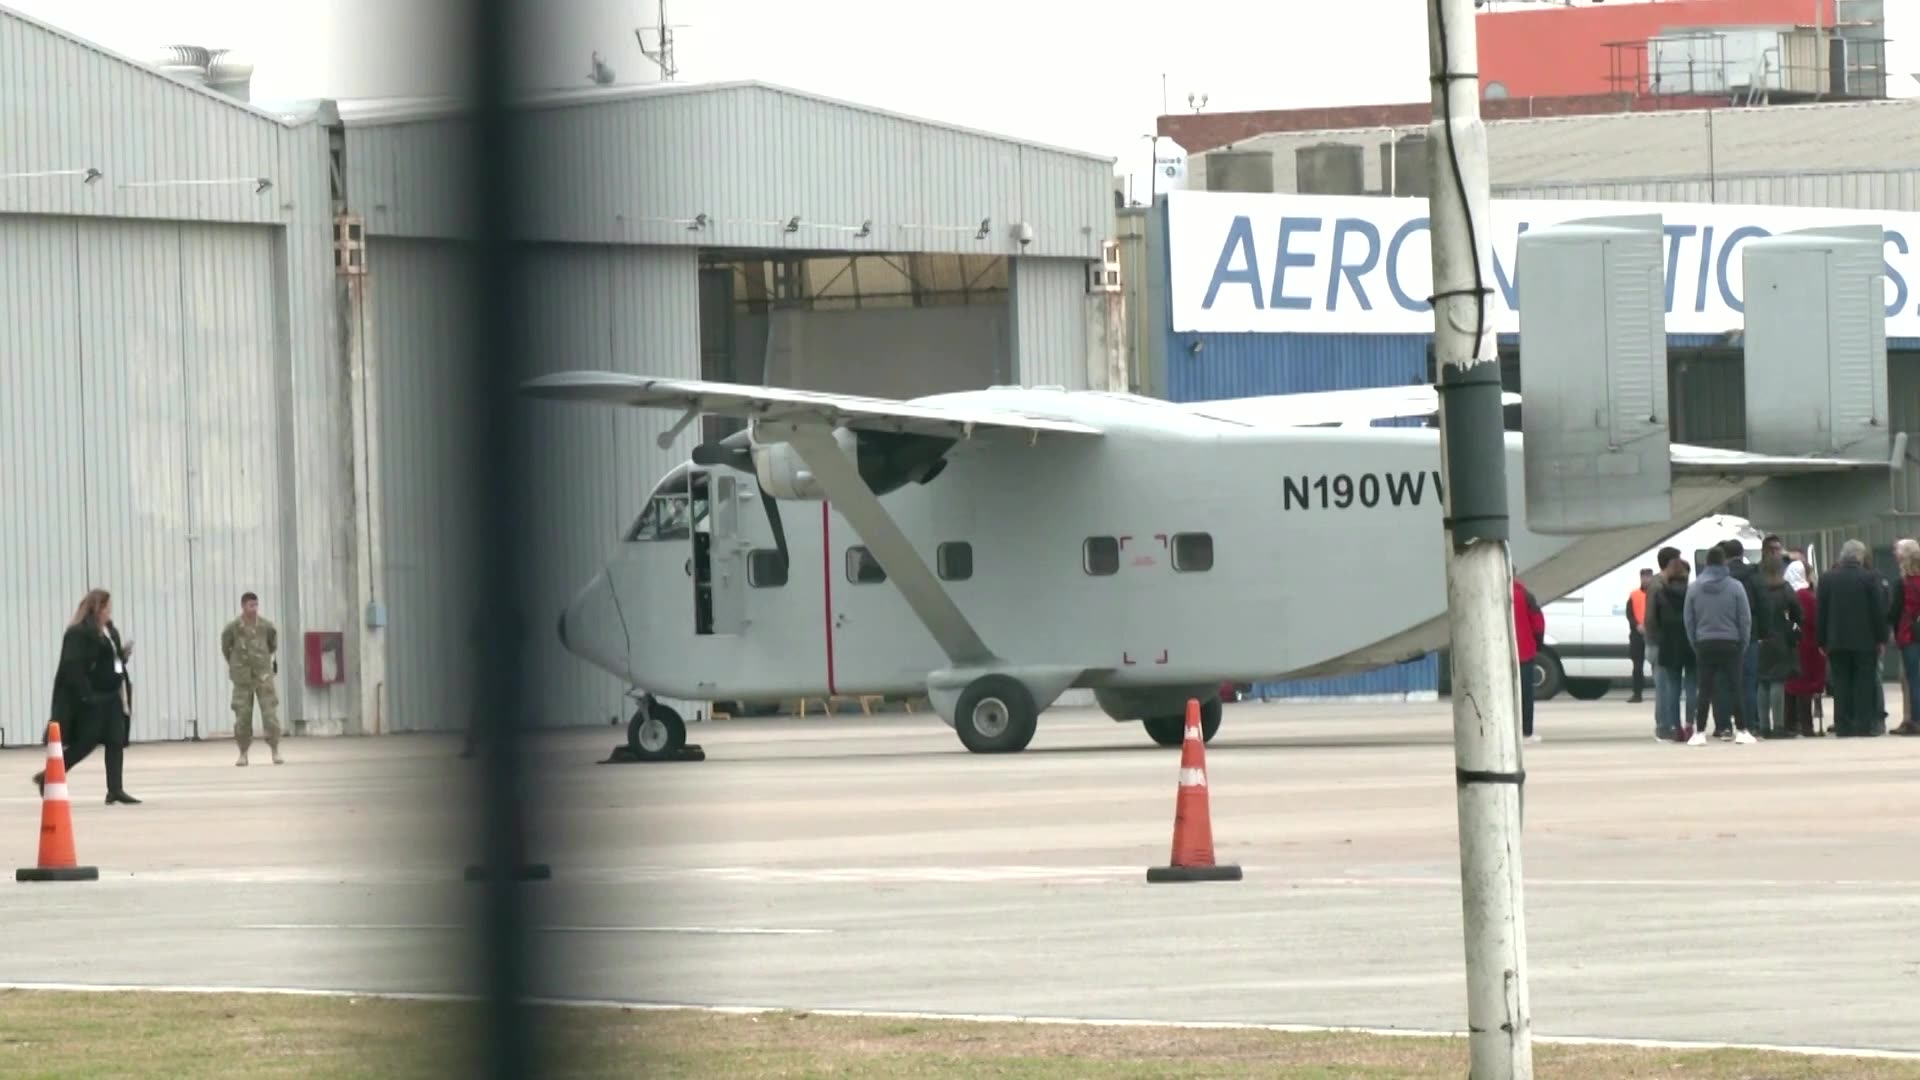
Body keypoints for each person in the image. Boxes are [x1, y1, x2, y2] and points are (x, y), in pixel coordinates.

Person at [31, 588, 141, 804]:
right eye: (107, 608)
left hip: (113, 693)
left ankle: (115, 789)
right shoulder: (78, 633)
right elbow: (72, 666)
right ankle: (48, 776)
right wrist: (86, 694)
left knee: (115, 739)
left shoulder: (110, 631)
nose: (110, 612)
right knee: (87, 741)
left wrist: (121, 657)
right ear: (97, 609)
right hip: (93, 696)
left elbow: (110, 661)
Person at [1685, 544, 1756, 745]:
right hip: (1730, 643)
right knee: (1736, 687)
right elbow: (1745, 619)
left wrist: (1695, 643)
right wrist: (1743, 643)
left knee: (1705, 689)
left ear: (1706, 563)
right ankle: (1742, 730)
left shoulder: (1694, 588)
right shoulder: (1735, 587)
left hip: (1704, 642)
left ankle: (1699, 732)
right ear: (1724, 562)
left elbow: (1689, 620)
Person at [1817, 540, 1889, 738]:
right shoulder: (1869, 578)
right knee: (1864, 682)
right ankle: (1862, 724)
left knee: (1840, 683)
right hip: (1865, 641)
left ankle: (1843, 724)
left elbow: (1821, 612)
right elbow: (1877, 611)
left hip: (1836, 640)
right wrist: (1881, 638)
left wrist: (1821, 640)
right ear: (1859, 556)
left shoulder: (1827, 579)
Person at [221, 591, 283, 766]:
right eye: (251, 605)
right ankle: (243, 753)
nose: (254, 609)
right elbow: (226, 648)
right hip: (242, 678)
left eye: (256, 605)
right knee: (243, 716)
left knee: (270, 714)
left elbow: (272, 645)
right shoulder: (233, 628)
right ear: (243, 606)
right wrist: (236, 665)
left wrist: (262, 661)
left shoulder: (266, 626)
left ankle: (275, 750)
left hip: (263, 676)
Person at [1755, 552, 1803, 739]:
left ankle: (1763, 725)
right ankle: (1779, 725)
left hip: (1761, 637)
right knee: (1777, 680)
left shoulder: (1758, 589)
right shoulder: (1785, 588)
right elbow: (1797, 612)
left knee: (1762, 681)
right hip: (1781, 637)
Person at [1722, 538, 1767, 739]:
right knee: (1750, 682)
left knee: (1727, 681)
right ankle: (1751, 724)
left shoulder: (1722, 577)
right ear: (1742, 554)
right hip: (1751, 633)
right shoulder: (1754, 576)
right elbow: (1763, 604)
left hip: (1726, 634)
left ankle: (1726, 725)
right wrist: (1763, 632)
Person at [1652, 557, 1698, 742]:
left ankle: (1675, 726)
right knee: (1692, 687)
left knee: (1673, 688)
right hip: (1690, 643)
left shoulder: (1660, 595)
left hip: (1669, 645)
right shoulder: (1693, 593)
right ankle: (1690, 725)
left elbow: (1655, 621)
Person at [1784, 559, 1826, 737]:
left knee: (1790, 684)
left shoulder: (1785, 592)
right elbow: (1815, 620)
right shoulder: (1806, 596)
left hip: (1789, 644)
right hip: (1808, 643)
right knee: (1806, 685)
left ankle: (1790, 723)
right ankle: (1807, 725)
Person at [1890, 538, 1920, 736]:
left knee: (1913, 679)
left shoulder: (1902, 583)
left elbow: (1894, 612)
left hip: (1909, 634)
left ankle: (1916, 720)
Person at [1514, 577, 1545, 743]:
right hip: (1524, 652)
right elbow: (1538, 623)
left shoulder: (1491, 594)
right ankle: (1526, 732)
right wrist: (1537, 644)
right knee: (1525, 694)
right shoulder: (1525, 595)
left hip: (1500, 656)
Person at [1627, 568, 1653, 704]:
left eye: (1648, 577)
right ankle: (1637, 694)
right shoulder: (1634, 595)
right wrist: (1637, 626)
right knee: (1637, 666)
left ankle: (1659, 693)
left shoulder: (1657, 593)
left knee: (1657, 666)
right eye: (1644, 577)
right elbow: (1629, 614)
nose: (1646, 579)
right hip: (1637, 634)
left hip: (1653, 633)